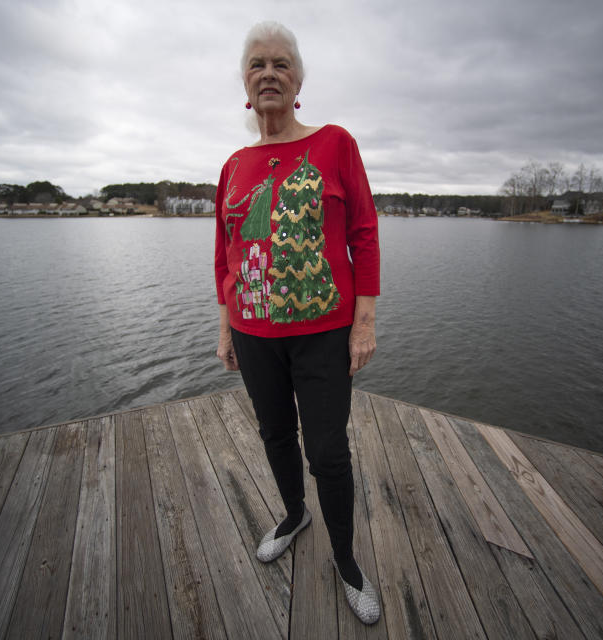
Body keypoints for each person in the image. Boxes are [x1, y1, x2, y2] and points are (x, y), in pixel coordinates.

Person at [214, 21, 381, 625]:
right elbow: (226, 250)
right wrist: (228, 326)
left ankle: (346, 561)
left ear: (298, 80)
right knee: (275, 435)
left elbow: (363, 232)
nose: (268, 74)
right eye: (257, 64)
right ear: (245, 82)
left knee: (329, 452)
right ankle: (294, 514)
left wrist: (363, 323)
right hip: (255, 335)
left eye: (281, 64)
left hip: (322, 335)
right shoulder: (234, 164)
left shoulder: (335, 144)